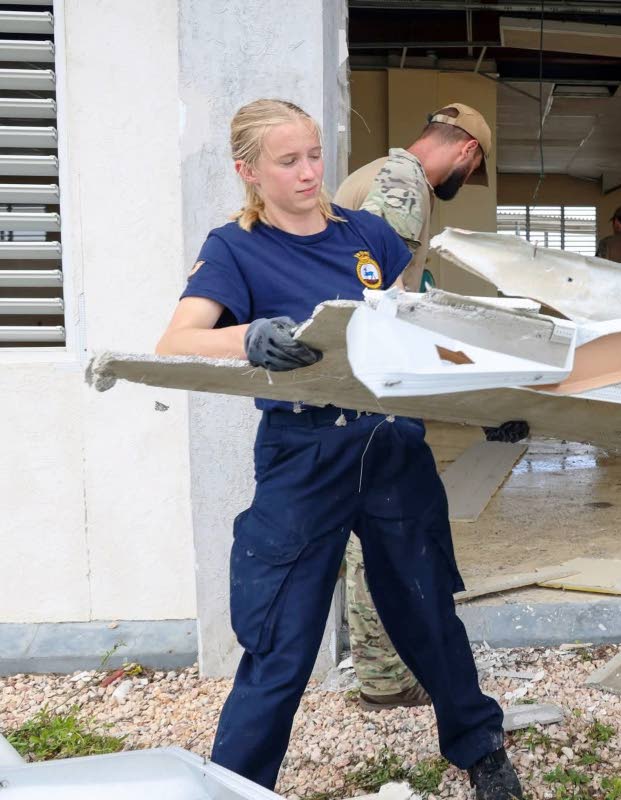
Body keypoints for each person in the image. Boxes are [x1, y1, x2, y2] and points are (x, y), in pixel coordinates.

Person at [156, 98, 523, 799]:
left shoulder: (369, 236)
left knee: (427, 614)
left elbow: (407, 329)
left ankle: (483, 754)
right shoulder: (236, 248)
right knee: (282, 642)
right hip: (303, 454)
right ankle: (235, 785)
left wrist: (484, 391)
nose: (308, 173)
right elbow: (175, 341)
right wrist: (247, 338)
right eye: (288, 161)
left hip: (391, 447)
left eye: (314, 155)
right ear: (249, 171)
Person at [334, 103, 529, 711]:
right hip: (372, 389)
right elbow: (377, 298)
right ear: (467, 151)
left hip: (356, 385)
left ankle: (382, 670)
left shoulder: (372, 174)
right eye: (471, 174)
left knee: (372, 531)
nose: (463, 184)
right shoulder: (403, 186)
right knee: (386, 534)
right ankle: (385, 681)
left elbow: (395, 285)